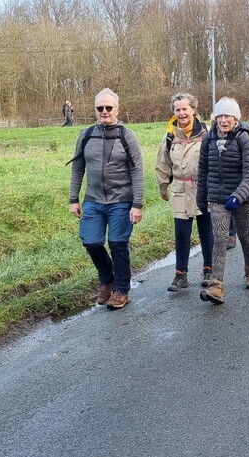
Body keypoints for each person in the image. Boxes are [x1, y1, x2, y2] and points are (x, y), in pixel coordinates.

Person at [68, 88, 143, 310]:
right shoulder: (86, 135)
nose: (104, 111)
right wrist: (73, 198)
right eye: (100, 108)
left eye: (108, 107)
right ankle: (107, 281)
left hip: (121, 199)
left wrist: (137, 204)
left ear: (117, 109)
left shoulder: (127, 136)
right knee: (91, 242)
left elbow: (137, 171)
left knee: (118, 244)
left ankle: (121, 290)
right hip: (93, 199)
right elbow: (77, 168)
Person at [196, 97, 249, 304]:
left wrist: (237, 196)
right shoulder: (208, 139)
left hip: (244, 198)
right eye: (220, 116)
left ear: (236, 118)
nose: (223, 120)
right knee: (220, 239)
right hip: (217, 198)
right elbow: (203, 170)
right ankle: (216, 285)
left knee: (244, 235)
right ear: (215, 118)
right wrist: (200, 198)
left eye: (228, 116)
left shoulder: (244, 139)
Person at [154, 93, 214, 292]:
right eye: (177, 110)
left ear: (193, 110)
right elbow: (162, 163)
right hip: (179, 188)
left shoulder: (208, 133)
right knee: (181, 233)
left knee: (206, 231)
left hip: (204, 188)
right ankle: (181, 275)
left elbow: (217, 160)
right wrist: (163, 186)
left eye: (184, 109)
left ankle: (209, 270)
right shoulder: (170, 135)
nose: (181, 113)